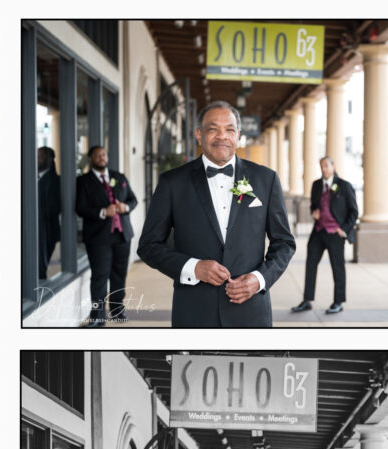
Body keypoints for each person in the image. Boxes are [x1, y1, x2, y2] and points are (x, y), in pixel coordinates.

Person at [137, 101, 296, 327]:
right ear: (199, 135)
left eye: (229, 130)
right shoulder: (172, 182)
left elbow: (284, 243)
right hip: (193, 313)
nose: (222, 136)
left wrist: (259, 279)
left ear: (238, 135)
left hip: (251, 314)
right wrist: (193, 267)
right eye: (213, 129)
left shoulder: (266, 179)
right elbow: (148, 246)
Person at [75, 146, 138, 326]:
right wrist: (103, 212)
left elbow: (133, 200)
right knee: (100, 276)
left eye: (103, 154)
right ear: (90, 159)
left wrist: (124, 208)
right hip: (98, 238)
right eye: (97, 155)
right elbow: (80, 208)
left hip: (122, 235)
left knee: (119, 275)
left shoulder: (118, 177)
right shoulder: (83, 181)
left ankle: (118, 311)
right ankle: (97, 316)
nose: (101, 158)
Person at [291, 156, 359, 315]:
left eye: (327, 166)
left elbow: (354, 211)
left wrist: (344, 229)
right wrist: (313, 211)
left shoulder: (344, 186)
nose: (324, 169)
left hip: (335, 233)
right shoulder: (316, 185)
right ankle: (307, 300)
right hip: (318, 231)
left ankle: (338, 302)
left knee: (338, 267)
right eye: (321, 166)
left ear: (333, 166)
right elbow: (314, 205)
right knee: (310, 264)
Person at [37, 146, 61, 280]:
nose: (37, 159)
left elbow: (54, 208)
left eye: (40, 156)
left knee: (43, 270)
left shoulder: (56, 181)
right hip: (35, 232)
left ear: (50, 159)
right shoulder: (32, 180)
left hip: (48, 232)